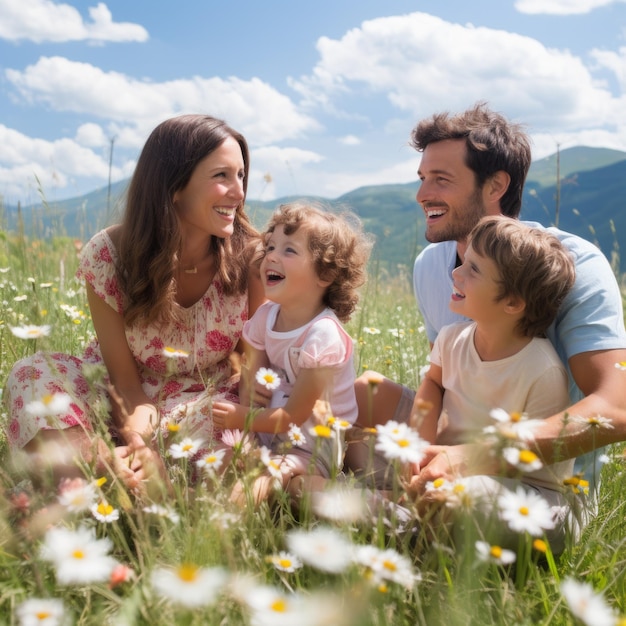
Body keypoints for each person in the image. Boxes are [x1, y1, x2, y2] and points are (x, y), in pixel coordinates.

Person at [347, 102, 626, 524]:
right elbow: (444, 383)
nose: (423, 195)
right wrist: (423, 452)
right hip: (458, 433)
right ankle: (381, 496)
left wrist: (475, 456)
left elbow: (617, 407)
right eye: (422, 178)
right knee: (350, 400)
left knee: (441, 499)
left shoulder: (574, 265)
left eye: (441, 179)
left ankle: (387, 508)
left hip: (539, 477)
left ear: (495, 185)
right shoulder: (430, 264)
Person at [4, 114, 263, 490]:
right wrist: (140, 442)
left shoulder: (252, 260)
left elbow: (250, 371)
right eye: (221, 176)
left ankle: (113, 481)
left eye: (241, 176)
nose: (238, 192)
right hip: (122, 395)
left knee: (231, 444)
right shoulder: (108, 256)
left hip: (206, 405)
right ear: (174, 186)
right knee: (32, 375)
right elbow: (126, 384)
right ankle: (105, 475)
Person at [411, 215, 577, 550]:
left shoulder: (541, 370)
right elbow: (433, 383)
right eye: (462, 263)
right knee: (368, 431)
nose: (455, 274)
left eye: (473, 269)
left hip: (528, 497)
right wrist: (418, 447)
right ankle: (406, 511)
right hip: (454, 460)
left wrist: (449, 470)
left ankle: (405, 529)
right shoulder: (451, 338)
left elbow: (528, 461)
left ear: (513, 303)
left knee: (458, 499)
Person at [212, 202, 372, 506]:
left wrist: (242, 419)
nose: (271, 255)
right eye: (270, 246)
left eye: (289, 250)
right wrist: (247, 419)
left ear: (324, 274)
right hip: (269, 423)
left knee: (269, 477)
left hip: (314, 439)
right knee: (227, 458)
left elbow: (294, 417)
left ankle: (226, 523)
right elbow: (251, 382)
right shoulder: (265, 317)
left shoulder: (323, 335)